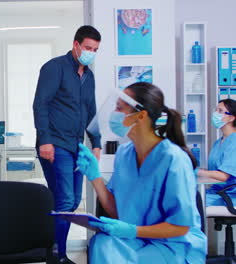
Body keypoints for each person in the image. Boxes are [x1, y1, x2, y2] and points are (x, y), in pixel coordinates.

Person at [78, 83, 206, 263]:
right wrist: (95, 177)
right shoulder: (124, 154)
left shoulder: (174, 159)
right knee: (102, 244)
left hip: (173, 245)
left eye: (119, 108)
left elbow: (180, 227)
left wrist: (132, 230)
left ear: (141, 115)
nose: (114, 114)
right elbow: (118, 212)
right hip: (137, 241)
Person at [32, 25, 101, 263]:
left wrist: (97, 142)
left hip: (76, 146)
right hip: (55, 144)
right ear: (76, 45)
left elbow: (91, 111)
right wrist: (45, 140)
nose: (91, 52)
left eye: (95, 49)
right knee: (64, 200)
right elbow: (40, 104)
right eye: (88, 48)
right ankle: (58, 255)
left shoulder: (89, 76)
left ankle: (50, 248)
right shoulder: (55, 68)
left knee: (71, 201)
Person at [196, 99, 236, 205]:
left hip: (229, 196)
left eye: (220, 111)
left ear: (231, 118)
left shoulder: (234, 141)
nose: (215, 114)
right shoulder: (219, 142)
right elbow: (213, 172)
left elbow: (223, 176)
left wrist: (196, 172)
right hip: (216, 193)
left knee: (187, 204)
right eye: (216, 110)